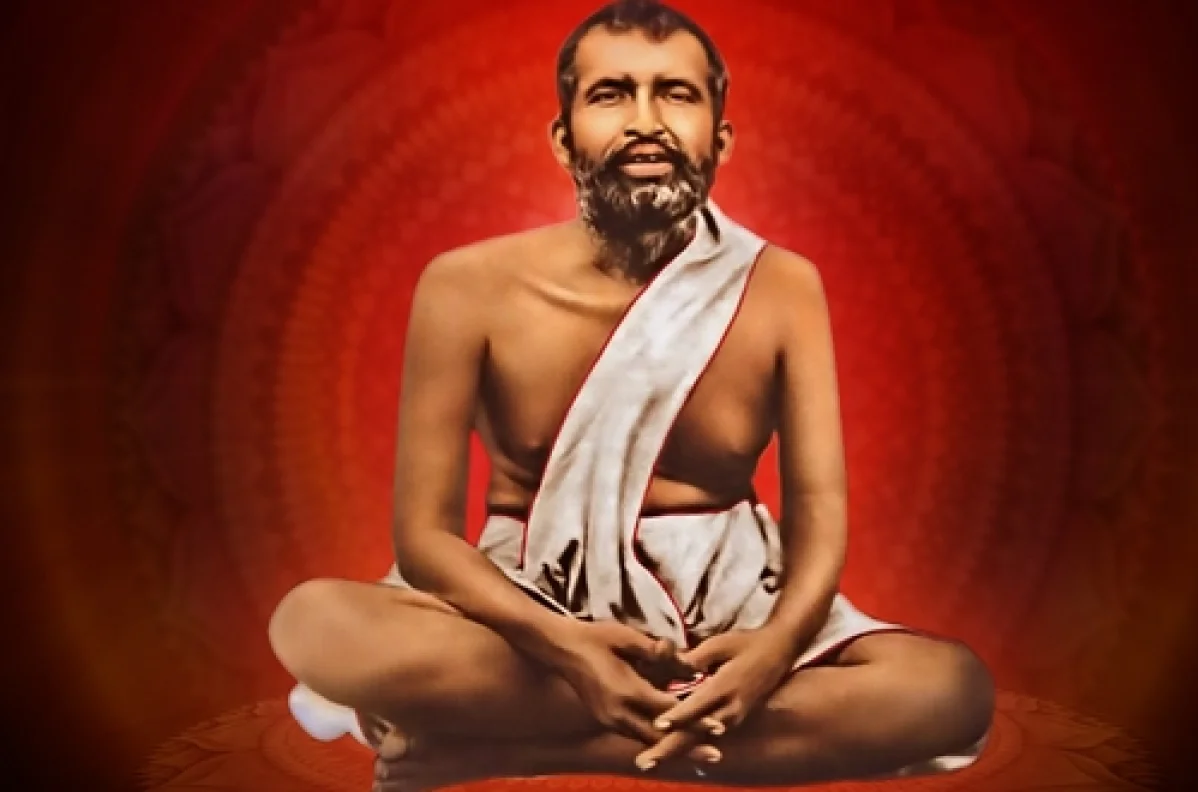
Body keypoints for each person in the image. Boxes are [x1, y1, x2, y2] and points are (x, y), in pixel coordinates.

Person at [267, 1, 994, 789]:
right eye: (611, 94)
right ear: (563, 138)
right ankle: (685, 728)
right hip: (526, 611)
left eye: (676, 94)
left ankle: (510, 747)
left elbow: (818, 510)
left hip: (729, 616)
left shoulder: (784, 287)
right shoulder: (464, 286)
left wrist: (774, 649)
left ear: (720, 139)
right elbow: (423, 538)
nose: (645, 122)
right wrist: (563, 645)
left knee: (948, 690)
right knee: (312, 622)